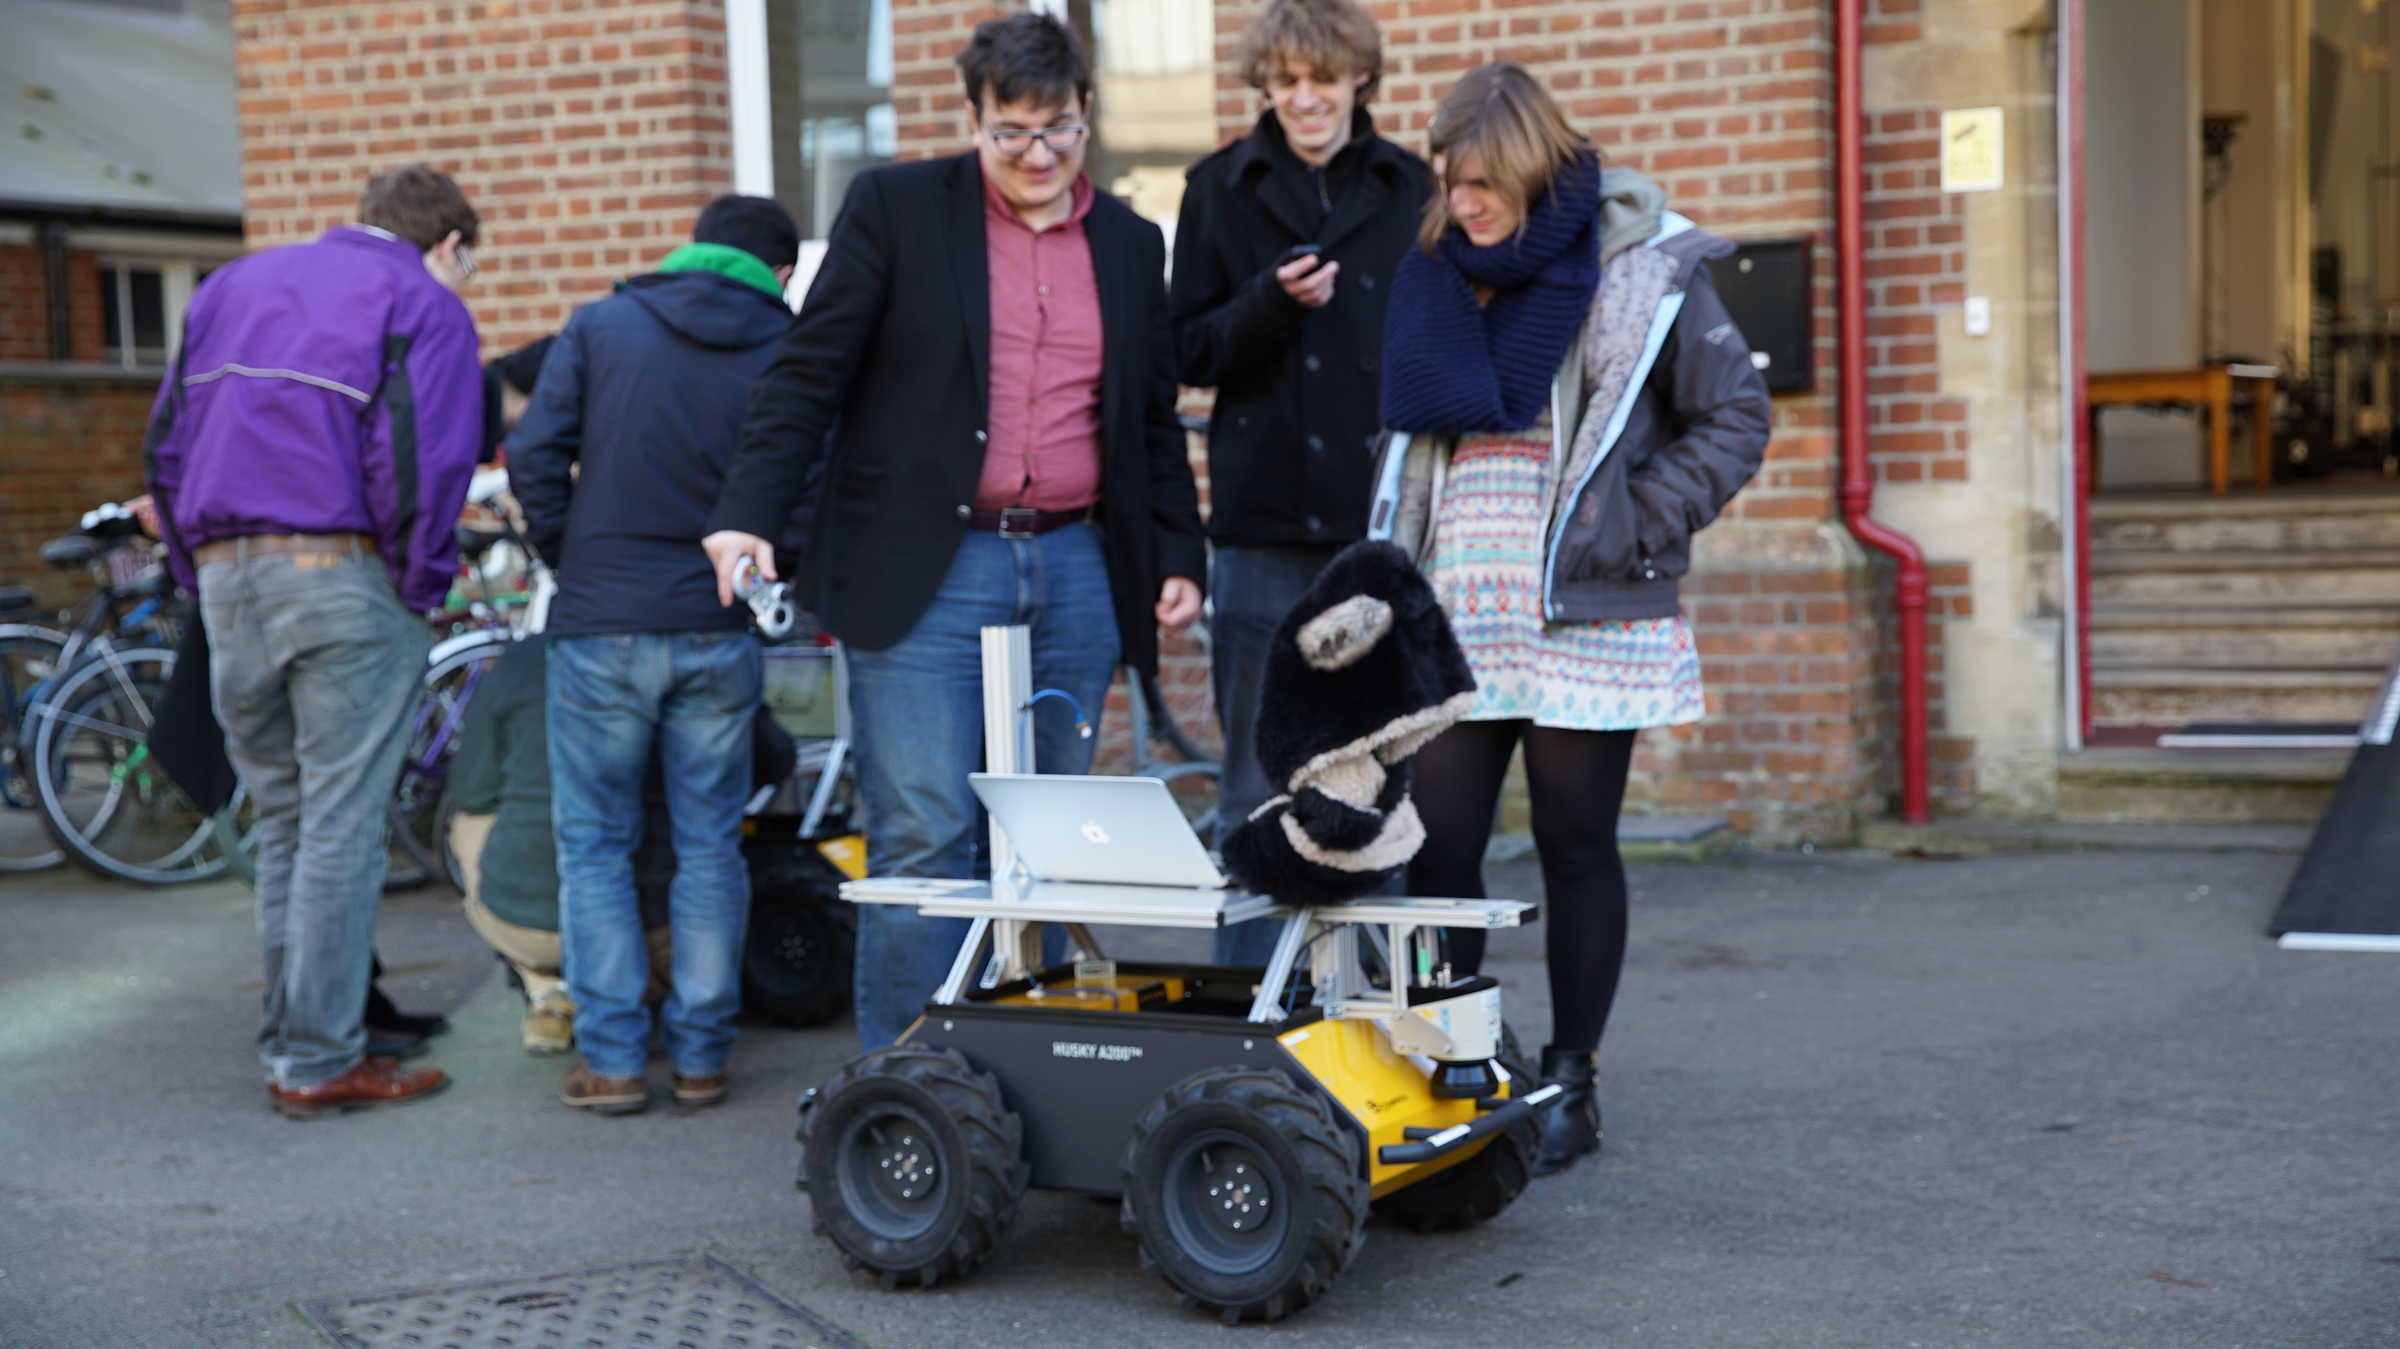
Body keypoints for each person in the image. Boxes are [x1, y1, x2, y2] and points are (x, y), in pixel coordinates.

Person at [701, 12, 1207, 1050]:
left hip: (1074, 562)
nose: (1037, 156)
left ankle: (1036, 1067)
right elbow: (808, 373)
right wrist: (748, 513)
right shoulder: (895, 209)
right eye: (1011, 133)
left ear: (1087, 117)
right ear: (972, 119)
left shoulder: (1126, 239)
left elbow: (1148, 420)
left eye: (1058, 131)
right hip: (926, 568)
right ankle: (910, 1091)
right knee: (925, 832)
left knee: (1051, 836)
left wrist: (1177, 554)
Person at [1372, 65, 1771, 1173]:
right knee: (1440, 845)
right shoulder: (1439, 275)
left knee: (1573, 843)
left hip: (1587, 609)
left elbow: (1736, 414)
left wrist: (1645, 517)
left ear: (1540, 168)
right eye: (1452, 183)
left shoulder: (1641, 264)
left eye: (1486, 184)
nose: (1466, 206)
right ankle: (1454, 1061)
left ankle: (1571, 1078)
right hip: (1463, 605)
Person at [142, 163, 485, 1118]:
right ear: (448, 245)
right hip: (340, 575)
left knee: (288, 821)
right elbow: (424, 458)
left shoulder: (232, 286)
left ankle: (300, 1036)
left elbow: (164, 445)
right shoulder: (422, 301)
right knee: (338, 826)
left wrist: (195, 568)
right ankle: (320, 1054)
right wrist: (418, 588)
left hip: (226, 575)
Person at [507, 195, 801, 1114]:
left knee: (594, 843)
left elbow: (531, 455)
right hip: (719, 623)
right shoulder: (786, 343)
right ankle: (704, 1055)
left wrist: (574, 557)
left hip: (601, 622)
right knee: (712, 843)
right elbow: (809, 474)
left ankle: (615, 1060)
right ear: (781, 273)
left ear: (693, 249)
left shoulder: (604, 323)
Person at [1169, 0, 1433, 965]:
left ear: (1359, 78)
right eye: (1285, 82)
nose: (1305, 99)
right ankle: (1255, 1018)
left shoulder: (1409, 187)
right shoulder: (1217, 189)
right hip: (1262, 530)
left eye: (1323, 79)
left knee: (1384, 779)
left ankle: (1385, 1016)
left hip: (1380, 526)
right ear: (1265, 87)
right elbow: (1185, 349)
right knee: (1259, 777)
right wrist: (1268, 306)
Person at [445, 637, 796, 1058]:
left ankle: (575, 1015)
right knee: (706, 840)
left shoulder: (535, 657)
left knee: (586, 853)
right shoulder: (710, 645)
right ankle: (700, 1044)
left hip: (534, 919)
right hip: (677, 925)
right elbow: (769, 762)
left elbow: (471, 793)